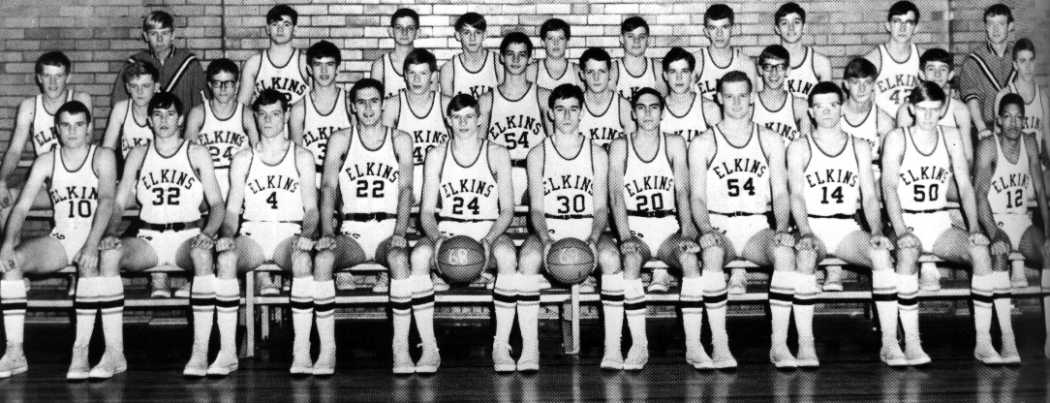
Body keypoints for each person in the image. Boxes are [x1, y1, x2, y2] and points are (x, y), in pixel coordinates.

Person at [95, 92, 226, 379]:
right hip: (149, 237)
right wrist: (110, 233)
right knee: (109, 255)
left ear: (180, 119)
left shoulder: (196, 152)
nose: (164, 120)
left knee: (203, 253)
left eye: (169, 115)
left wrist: (209, 232)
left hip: (187, 234)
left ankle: (201, 350)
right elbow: (117, 203)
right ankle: (114, 353)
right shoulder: (138, 154)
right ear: (149, 120)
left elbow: (217, 205)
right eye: (157, 115)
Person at [881, 81, 1006, 365]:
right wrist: (900, 231)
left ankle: (984, 343)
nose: (928, 116)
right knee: (907, 254)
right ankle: (912, 344)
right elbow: (888, 187)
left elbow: (964, 186)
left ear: (942, 111)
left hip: (937, 221)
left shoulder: (950, 135)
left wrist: (974, 227)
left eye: (934, 110)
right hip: (907, 220)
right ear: (911, 109)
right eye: (922, 110)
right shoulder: (897, 138)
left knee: (980, 252)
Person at [786, 82, 902, 367]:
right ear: (811, 112)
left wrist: (875, 230)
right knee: (805, 255)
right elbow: (796, 196)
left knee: (880, 254)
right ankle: (805, 344)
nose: (827, 111)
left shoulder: (859, 146)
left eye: (833, 105)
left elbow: (870, 196)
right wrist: (805, 232)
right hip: (813, 225)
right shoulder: (799, 147)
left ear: (841, 108)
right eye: (820, 106)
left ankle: (889, 342)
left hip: (845, 226)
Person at [0, 101, 116, 379]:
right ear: (57, 129)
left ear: (89, 128)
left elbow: (108, 201)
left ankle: (81, 352)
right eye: (65, 125)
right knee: (12, 263)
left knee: (89, 266)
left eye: (78, 125)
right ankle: (15, 353)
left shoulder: (103, 156)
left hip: (95, 236)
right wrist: (7, 243)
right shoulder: (46, 160)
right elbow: (22, 206)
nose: (72, 131)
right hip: (63, 237)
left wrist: (91, 244)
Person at [689, 71, 794, 369]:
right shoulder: (703, 142)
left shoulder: (771, 139)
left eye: (742, 95)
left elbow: (781, 193)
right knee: (710, 252)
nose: (736, 102)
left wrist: (782, 228)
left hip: (755, 226)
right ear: (719, 98)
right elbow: (696, 198)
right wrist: (706, 229)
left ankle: (780, 343)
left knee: (785, 253)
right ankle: (720, 343)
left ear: (751, 97)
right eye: (729, 96)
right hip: (719, 224)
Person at [212, 88, 318, 376]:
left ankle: (302, 350)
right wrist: (226, 235)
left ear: (285, 116)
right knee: (225, 260)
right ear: (255, 118)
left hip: (288, 232)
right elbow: (232, 210)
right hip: (254, 234)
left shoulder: (302, 156)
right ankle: (227, 351)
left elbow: (312, 209)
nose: (269, 120)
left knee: (302, 261)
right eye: (263, 115)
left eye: (275, 114)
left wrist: (307, 234)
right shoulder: (243, 158)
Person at [315, 79, 419, 374]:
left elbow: (406, 189)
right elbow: (326, 188)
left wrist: (400, 232)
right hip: (353, 231)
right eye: (362, 102)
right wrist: (325, 232)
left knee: (400, 258)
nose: (369, 108)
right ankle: (326, 350)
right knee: (323, 259)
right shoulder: (340, 139)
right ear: (352, 106)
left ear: (383, 103)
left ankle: (400, 348)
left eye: (374, 101)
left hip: (387, 228)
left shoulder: (400, 139)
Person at [411, 94, 517, 372]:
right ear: (448, 120)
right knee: (419, 256)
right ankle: (429, 347)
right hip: (449, 227)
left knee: (507, 255)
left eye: (469, 116)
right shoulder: (437, 154)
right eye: (457, 117)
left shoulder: (496, 152)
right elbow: (425, 213)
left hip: (485, 228)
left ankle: (501, 344)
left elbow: (507, 210)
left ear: (480, 119)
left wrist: (489, 240)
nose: (463, 123)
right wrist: (436, 240)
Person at [519, 84, 617, 372]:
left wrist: (593, 238)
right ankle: (529, 347)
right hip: (550, 229)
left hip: (587, 229)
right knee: (526, 259)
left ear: (581, 113)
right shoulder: (538, 153)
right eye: (560, 109)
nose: (566, 115)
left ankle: (612, 346)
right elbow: (536, 209)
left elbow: (601, 209)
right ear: (550, 113)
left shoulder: (597, 153)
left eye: (573, 109)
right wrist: (545, 238)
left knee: (611, 259)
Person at [608, 87, 700, 371]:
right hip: (636, 225)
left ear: (662, 112)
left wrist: (686, 231)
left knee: (689, 260)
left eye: (654, 107)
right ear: (633, 113)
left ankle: (694, 346)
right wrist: (625, 237)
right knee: (631, 259)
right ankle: (638, 344)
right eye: (642, 108)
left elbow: (683, 190)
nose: (648, 113)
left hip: (668, 225)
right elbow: (615, 195)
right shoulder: (620, 145)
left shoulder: (674, 143)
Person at [974, 94, 1047, 365]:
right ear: (1000, 121)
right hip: (995, 219)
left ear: (1024, 120)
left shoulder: (1029, 142)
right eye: (1009, 117)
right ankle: (1008, 338)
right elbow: (980, 195)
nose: (1014, 122)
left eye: (1019, 117)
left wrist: (1048, 232)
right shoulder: (987, 146)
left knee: (1048, 253)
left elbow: (1040, 190)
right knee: (1000, 253)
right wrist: (994, 232)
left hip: (1021, 220)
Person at [649, 46, 720, 293]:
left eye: (685, 72)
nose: (679, 78)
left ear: (693, 75)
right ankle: (660, 268)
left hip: (704, 182)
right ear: (665, 76)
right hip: (669, 183)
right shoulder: (656, 110)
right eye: (673, 72)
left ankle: (735, 270)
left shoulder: (709, 109)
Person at [0, 52, 93, 233]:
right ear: (39, 78)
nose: (52, 83)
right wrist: (1, 182)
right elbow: (14, 151)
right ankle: (10, 256)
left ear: (68, 77)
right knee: (4, 202)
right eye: (47, 76)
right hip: (46, 185)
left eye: (58, 76)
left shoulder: (80, 99)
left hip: (77, 184)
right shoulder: (29, 106)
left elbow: (87, 143)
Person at [481, 31, 551, 204]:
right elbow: (479, 148)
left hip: (533, 175)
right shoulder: (487, 99)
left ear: (530, 59)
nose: (516, 60)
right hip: (499, 176)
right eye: (510, 54)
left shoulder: (543, 96)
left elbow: (553, 145)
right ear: (502, 58)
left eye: (522, 55)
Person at [183, 58, 258, 198]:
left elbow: (258, 156)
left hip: (238, 184)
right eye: (218, 83)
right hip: (206, 184)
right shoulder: (198, 114)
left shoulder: (247, 115)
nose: (223, 89)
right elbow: (188, 157)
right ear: (210, 85)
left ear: (236, 85)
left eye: (228, 83)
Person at [110, 10, 206, 110]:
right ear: (146, 36)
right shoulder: (134, 63)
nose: (159, 39)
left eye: (164, 33)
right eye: (153, 34)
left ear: (173, 35)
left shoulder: (190, 64)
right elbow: (118, 103)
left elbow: (201, 106)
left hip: (183, 124)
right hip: (145, 124)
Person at [896, 48, 973, 162]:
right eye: (931, 69)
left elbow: (968, 157)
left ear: (950, 75)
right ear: (922, 74)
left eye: (943, 69)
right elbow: (900, 155)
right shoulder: (907, 110)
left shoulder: (960, 110)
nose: (937, 74)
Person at [960, 3, 1017, 137]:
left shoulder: (1019, 56)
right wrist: (981, 129)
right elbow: (971, 98)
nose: (995, 30)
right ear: (986, 27)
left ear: (1010, 26)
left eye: (1001, 24)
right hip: (986, 127)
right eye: (991, 24)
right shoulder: (973, 61)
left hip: (1017, 127)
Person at [239, 4, 310, 105]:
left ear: (295, 29)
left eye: (286, 24)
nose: (280, 29)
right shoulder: (254, 63)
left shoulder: (305, 62)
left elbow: (316, 103)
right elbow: (242, 107)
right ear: (267, 29)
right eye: (275, 24)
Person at [864, 1, 923, 116]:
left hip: (915, 127)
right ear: (888, 26)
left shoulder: (923, 57)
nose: (902, 28)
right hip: (882, 127)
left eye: (909, 22)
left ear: (916, 28)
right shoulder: (873, 59)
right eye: (897, 21)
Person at [993, 38, 1048, 152]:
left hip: (1036, 166)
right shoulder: (1003, 96)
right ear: (1015, 65)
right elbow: (997, 140)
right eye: (1023, 61)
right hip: (1013, 166)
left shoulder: (1042, 96)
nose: (1028, 67)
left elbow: (1048, 137)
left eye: (1031, 60)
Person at [694, 4, 758, 100]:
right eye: (713, 28)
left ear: (733, 29)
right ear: (706, 32)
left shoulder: (746, 64)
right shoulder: (696, 62)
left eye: (724, 27)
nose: (719, 34)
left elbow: (751, 105)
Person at [577, 47, 634, 148]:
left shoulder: (623, 107)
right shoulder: (575, 105)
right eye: (590, 72)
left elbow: (631, 150)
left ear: (610, 74)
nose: (596, 77)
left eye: (602, 71)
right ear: (582, 75)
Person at [752, 45, 810, 142]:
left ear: (787, 71)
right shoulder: (750, 104)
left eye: (780, 67)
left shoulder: (800, 106)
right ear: (760, 70)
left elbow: (807, 148)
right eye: (768, 67)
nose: (773, 73)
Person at [773, 2, 832, 98]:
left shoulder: (820, 63)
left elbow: (827, 102)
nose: (791, 28)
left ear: (804, 27)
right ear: (777, 29)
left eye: (796, 22)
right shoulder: (767, 63)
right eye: (784, 23)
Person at [101, 61, 159, 159]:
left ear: (156, 87)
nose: (139, 91)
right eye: (134, 86)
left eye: (145, 86)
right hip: (127, 169)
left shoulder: (163, 111)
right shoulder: (121, 109)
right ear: (128, 88)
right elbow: (107, 149)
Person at [440, 12, 500, 99]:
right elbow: (448, 109)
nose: (472, 38)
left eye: (478, 32)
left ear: (485, 35)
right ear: (458, 36)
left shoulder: (498, 62)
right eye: (467, 32)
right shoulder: (448, 69)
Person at [371, 8, 419, 99]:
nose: (404, 32)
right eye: (398, 28)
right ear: (391, 31)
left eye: (410, 28)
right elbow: (375, 104)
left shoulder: (427, 64)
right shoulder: (380, 66)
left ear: (418, 33)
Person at [612, 16, 664, 100]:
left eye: (641, 37)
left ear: (648, 40)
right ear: (621, 39)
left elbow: (662, 107)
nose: (636, 41)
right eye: (630, 36)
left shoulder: (658, 69)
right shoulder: (612, 71)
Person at [529, 18, 581, 91]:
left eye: (561, 38)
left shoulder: (577, 71)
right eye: (550, 38)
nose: (556, 43)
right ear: (542, 43)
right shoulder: (532, 71)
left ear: (568, 43)